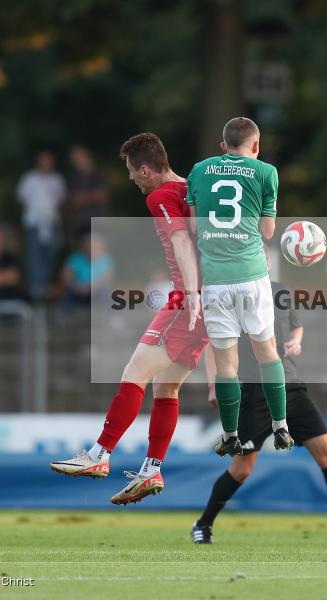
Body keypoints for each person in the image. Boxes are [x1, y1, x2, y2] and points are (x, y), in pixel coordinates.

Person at [192, 249, 327, 546]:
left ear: (268, 262)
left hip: (291, 387)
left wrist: (296, 342)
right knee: (243, 468)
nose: (260, 260)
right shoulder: (232, 296)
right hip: (254, 394)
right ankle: (203, 523)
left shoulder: (280, 291)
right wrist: (214, 385)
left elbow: (296, 325)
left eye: (263, 256)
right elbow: (214, 344)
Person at [50, 133, 208, 506]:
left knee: (134, 372)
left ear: (147, 169)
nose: (131, 178)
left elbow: (182, 242)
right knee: (166, 388)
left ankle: (99, 454)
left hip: (189, 300)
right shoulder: (193, 189)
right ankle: (151, 469)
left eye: (132, 171)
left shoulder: (161, 196)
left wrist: (190, 293)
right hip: (216, 300)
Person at [185, 116, 293, 456]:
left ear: (223, 146)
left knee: (226, 365)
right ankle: (281, 426)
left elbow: (193, 227)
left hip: (216, 281)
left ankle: (230, 435)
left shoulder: (199, 170)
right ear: (256, 145)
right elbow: (268, 231)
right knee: (267, 352)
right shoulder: (266, 172)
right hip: (251, 276)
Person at [17, 150, 66, 300]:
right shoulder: (29, 178)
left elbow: (61, 200)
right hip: (34, 222)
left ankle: (45, 285)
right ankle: (35, 287)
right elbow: (21, 198)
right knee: (34, 254)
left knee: (50, 254)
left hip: (51, 223)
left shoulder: (57, 179)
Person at [61, 234, 114, 308]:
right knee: (67, 292)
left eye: (95, 248)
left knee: (106, 290)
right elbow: (66, 276)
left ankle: (106, 312)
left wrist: (93, 286)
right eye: (90, 247)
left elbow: (107, 277)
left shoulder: (105, 259)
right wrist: (77, 286)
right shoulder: (75, 258)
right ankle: (67, 313)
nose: (92, 250)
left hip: (96, 289)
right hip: (77, 288)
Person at [68, 144, 110, 237]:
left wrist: (83, 196)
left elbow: (102, 196)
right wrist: (93, 195)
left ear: (86, 155)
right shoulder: (74, 177)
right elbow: (75, 200)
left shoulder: (98, 174)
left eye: (77, 157)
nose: (75, 161)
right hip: (81, 223)